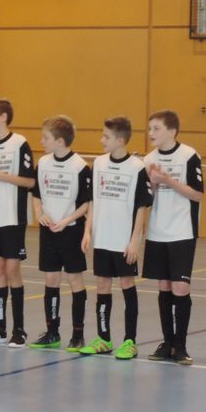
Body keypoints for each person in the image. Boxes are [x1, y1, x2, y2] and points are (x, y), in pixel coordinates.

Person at [80, 117, 152, 360]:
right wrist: (88, 231)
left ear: (120, 140)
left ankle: (130, 341)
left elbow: (142, 207)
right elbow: (92, 201)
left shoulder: (136, 167)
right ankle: (104, 338)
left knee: (126, 285)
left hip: (123, 241)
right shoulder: (98, 164)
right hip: (103, 238)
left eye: (106, 136)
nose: (102, 140)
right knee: (102, 286)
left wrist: (134, 241)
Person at [142, 109, 204, 365]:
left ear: (171, 131)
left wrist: (168, 180)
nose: (151, 133)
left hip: (182, 231)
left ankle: (181, 345)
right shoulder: (148, 159)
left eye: (156, 128)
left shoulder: (189, 155)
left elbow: (197, 194)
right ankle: (167, 343)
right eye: (149, 128)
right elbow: (146, 200)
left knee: (180, 287)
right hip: (157, 231)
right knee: (164, 286)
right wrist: (154, 184)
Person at [0, 98, 37, 348]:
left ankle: (19, 329)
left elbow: (29, 182)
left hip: (13, 217)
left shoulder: (19, 143)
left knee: (12, 271)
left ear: (3, 117)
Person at [29, 115, 92, 351]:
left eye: (45, 138)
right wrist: (39, 213)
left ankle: (78, 334)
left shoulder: (80, 166)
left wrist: (67, 220)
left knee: (74, 279)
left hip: (71, 231)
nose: (41, 141)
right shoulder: (43, 163)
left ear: (60, 141)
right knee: (51, 279)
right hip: (49, 231)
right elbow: (36, 194)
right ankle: (52, 332)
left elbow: (87, 203)